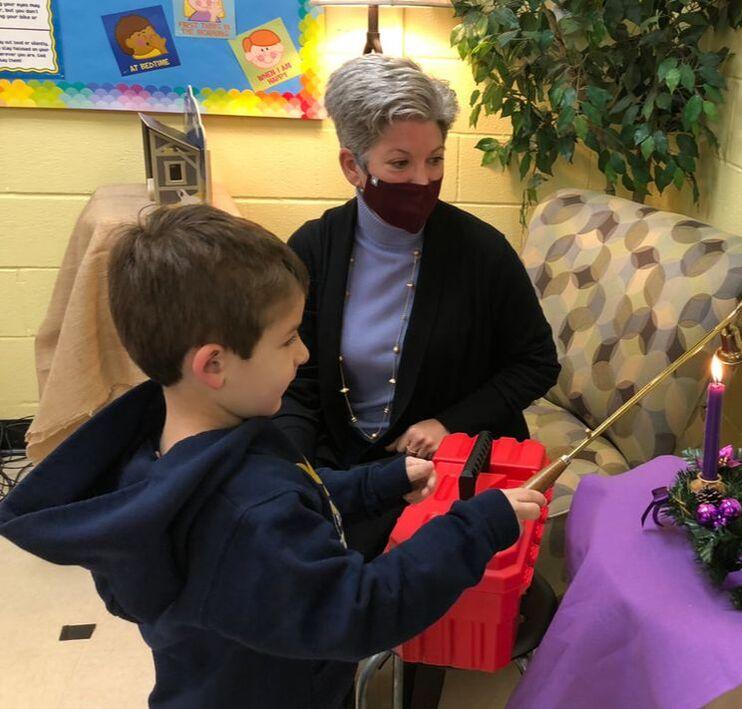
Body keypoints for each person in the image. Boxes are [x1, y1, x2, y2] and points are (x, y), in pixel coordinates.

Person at [0, 205, 547, 708]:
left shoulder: (169, 450)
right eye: (288, 340)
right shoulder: (248, 514)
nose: (305, 353)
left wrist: (379, 482)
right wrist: (475, 525)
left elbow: (296, 490)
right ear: (214, 365)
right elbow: (361, 611)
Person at [278, 54, 560, 555]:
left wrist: (448, 422)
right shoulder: (312, 249)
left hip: (448, 467)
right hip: (344, 462)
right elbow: (294, 382)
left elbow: (536, 362)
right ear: (352, 166)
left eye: (435, 160)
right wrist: (299, 475)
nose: (422, 180)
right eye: (400, 163)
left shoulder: (481, 251)